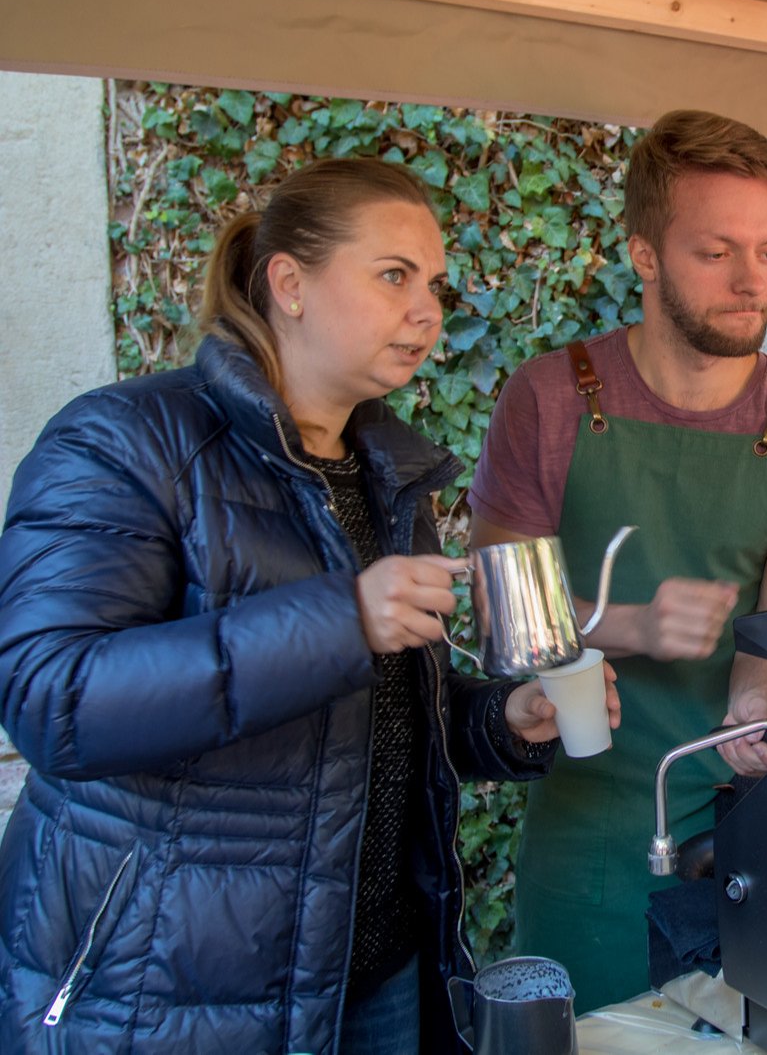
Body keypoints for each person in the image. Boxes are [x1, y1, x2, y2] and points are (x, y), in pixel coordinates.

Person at [0, 158, 620, 1054]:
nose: (428, 311)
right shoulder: (124, 441)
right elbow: (52, 700)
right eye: (394, 276)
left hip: (375, 975)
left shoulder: (389, 476)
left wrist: (501, 721)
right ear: (289, 283)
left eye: (435, 285)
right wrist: (342, 620)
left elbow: (378, 721)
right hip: (171, 990)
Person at [468, 109, 767, 1011]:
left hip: (735, 833)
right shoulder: (548, 399)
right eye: (715, 252)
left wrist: (755, 705)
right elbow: (498, 617)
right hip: (585, 823)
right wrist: (634, 625)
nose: (751, 282)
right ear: (644, 255)